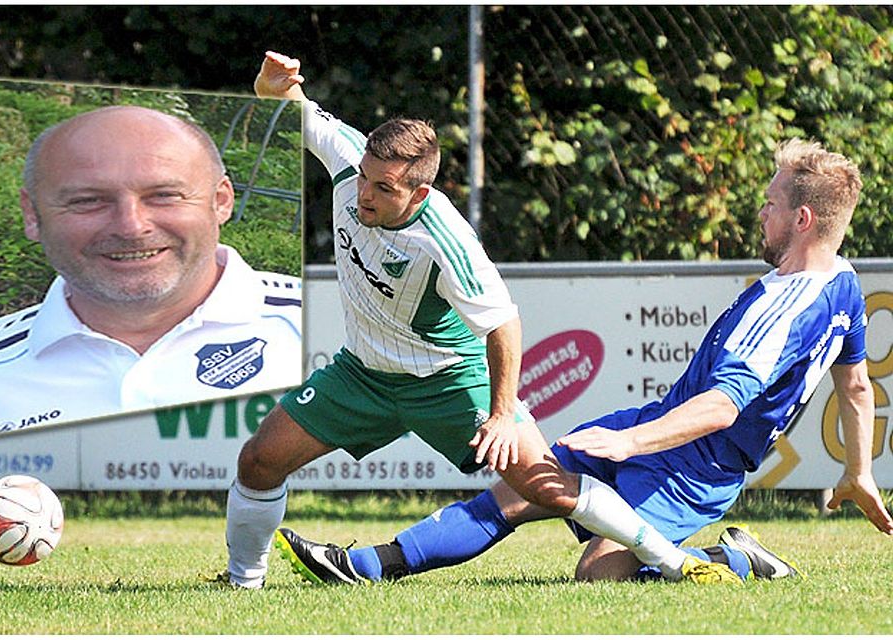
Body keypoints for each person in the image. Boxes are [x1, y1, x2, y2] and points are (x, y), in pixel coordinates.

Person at [221, 51, 741, 590]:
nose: (364, 195)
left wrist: (499, 414)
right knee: (260, 459)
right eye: (366, 179)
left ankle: (680, 563)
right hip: (364, 375)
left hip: (447, 380)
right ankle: (244, 584)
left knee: (546, 487)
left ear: (419, 192)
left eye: (384, 189)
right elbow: (291, 104)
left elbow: (504, 324)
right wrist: (271, 87)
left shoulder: (446, 240)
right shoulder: (353, 162)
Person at [276, 138, 893, 585]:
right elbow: (858, 388)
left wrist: (630, 446)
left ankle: (737, 561)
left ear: (803, 219)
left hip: (699, 465)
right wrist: (859, 470)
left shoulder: (784, 305)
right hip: (660, 423)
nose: (762, 211)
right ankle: (368, 565)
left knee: (599, 573)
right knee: (522, 488)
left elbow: (722, 406)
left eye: (772, 203)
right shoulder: (842, 281)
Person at [0, 105, 303, 439]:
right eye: (88, 201)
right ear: (32, 215)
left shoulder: (340, 328)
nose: (131, 227)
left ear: (221, 201)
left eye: (164, 195)